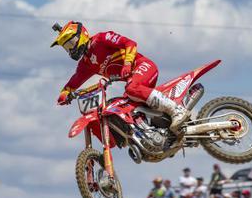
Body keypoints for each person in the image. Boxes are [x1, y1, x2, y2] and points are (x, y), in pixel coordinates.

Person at [51, 21, 190, 132]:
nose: (70, 49)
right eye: (66, 47)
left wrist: (128, 63)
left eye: (70, 43)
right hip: (133, 80)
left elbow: (130, 43)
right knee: (120, 105)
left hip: (143, 66)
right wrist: (64, 94)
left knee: (131, 88)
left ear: (81, 35)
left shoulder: (101, 39)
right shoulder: (86, 64)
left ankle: (176, 110)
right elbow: (74, 82)